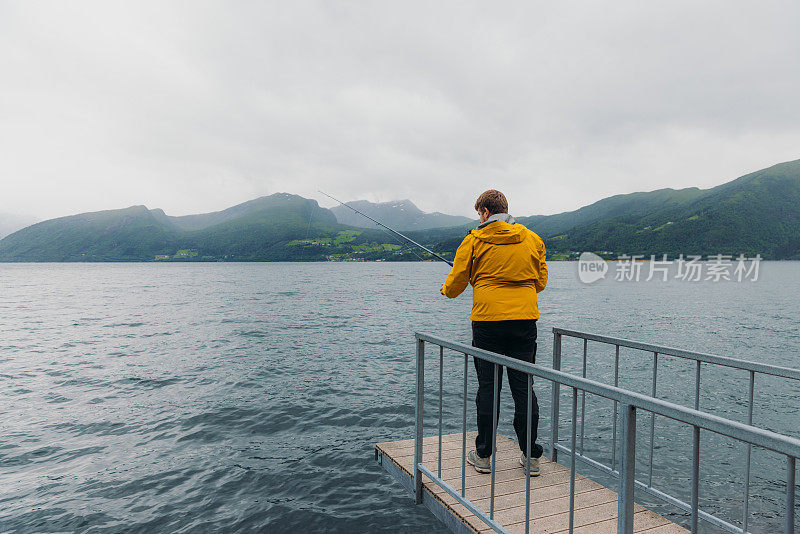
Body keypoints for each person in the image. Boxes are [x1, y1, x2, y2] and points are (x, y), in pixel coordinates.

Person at [440, 189, 548, 476]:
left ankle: (484, 455)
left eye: (479, 213)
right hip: (524, 320)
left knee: (489, 387)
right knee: (523, 387)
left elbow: (455, 284)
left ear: (485, 212)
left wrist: (450, 288)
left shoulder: (474, 240)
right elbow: (540, 282)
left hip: (487, 322)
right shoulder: (532, 239)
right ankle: (531, 456)